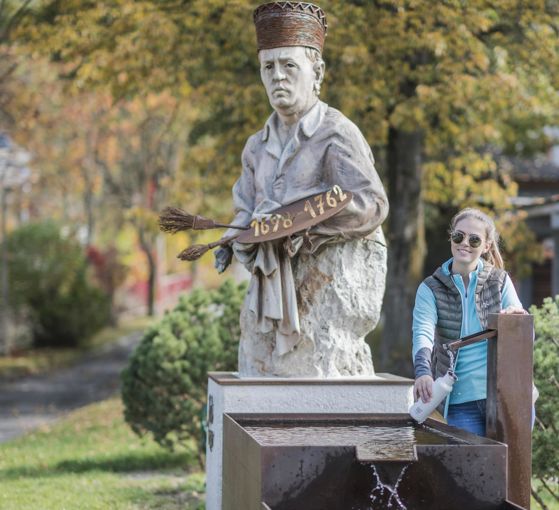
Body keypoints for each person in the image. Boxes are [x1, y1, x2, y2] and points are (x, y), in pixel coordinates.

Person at [214, 2, 389, 377]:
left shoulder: (336, 134)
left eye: (289, 65)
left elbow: (371, 204)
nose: (278, 77)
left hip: (324, 294)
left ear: (317, 72)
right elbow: (245, 206)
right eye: (268, 67)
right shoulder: (255, 147)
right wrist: (235, 236)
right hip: (266, 294)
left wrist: (301, 225)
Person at [412, 208, 527, 436]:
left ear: (486, 246)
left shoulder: (499, 281)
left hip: (503, 397)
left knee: (507, 469)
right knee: (470, 470)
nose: (464, 243)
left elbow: (525, 333)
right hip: (459, 401)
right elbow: (422, 332)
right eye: (459, 236)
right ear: (451, 238)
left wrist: (516, 321)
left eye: (474, 239)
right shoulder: (430, 288)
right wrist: (423, 372)